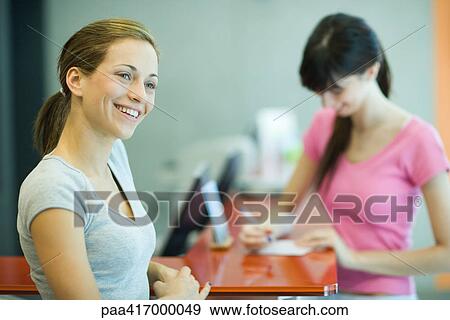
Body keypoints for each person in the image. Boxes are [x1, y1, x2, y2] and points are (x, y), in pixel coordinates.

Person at [239, 13, 450, 299]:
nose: (327, 103)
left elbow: (446, 254)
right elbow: (287, 207)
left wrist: (352, 257)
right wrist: (266, 230)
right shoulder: (324, 125)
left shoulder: (419, 140)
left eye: (336, 90)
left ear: (371, 72)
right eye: (319, 92)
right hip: (325, 287)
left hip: (383, 298)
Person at [17, 18, 210, 300]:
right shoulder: (53, 188)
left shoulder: (114, 155)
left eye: (150, 84)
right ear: (76, 80)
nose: (139, 95)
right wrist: (176, 306)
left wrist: (155, 271)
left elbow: (107, 261)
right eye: (124, 75)